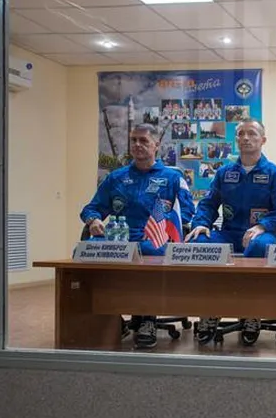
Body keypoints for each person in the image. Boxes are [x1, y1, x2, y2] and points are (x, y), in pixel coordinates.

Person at [80, 123, 195, 349]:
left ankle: (147, 318)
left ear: (156, 145)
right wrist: (93, 220)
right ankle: (109, 316)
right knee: (85, 250)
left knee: (154, 251)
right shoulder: (116, 177)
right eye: (134, 140)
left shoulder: (173, 177)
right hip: (120, 236)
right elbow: (92, 208)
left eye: (144, 140)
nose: (137, 145)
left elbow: (187, 212)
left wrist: (165, 223)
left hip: (154, 237)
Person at [185, 118, 276, 345]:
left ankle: (251, 312)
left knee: (259, 246)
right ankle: (211, 309)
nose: (246, 138)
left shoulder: (275, 174)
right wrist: (201, 223)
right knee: (199, 243)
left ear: (263, 140)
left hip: (261, 233)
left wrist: (262, 226)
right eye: (241, 134)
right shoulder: (224, 173)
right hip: (229, 233)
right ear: (236, 139)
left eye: (252, 133)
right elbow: (208, 204)